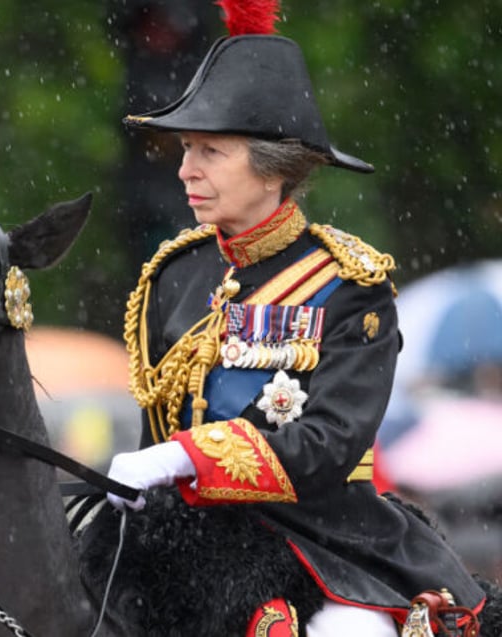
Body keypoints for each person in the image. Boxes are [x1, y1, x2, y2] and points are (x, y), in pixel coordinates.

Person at [104, 1, 486, 635]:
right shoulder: (173, 274)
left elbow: (331, 443)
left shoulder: (348, 285)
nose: (185, 169)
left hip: (320, 541)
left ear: (273, 164)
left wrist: (187, 458)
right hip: (175, 538)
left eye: (210, 151)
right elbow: (158, 424)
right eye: (185, 148)